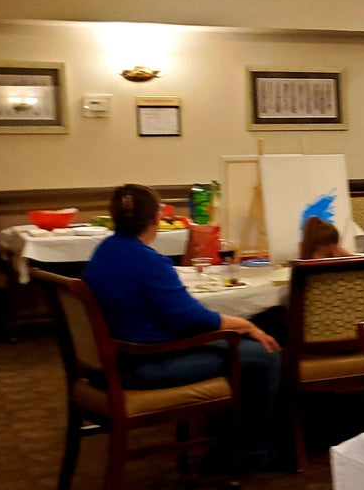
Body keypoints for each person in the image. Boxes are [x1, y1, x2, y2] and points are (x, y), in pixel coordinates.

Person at [82, 184, 282, 462]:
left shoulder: (103, 252)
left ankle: (231, 435)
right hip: (145, 365)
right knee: (264, 354)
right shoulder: (149, 262)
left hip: (117, 358)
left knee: (244, 343)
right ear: (155, 219)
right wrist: (246, 326)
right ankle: (256, 450)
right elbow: (194, 321)